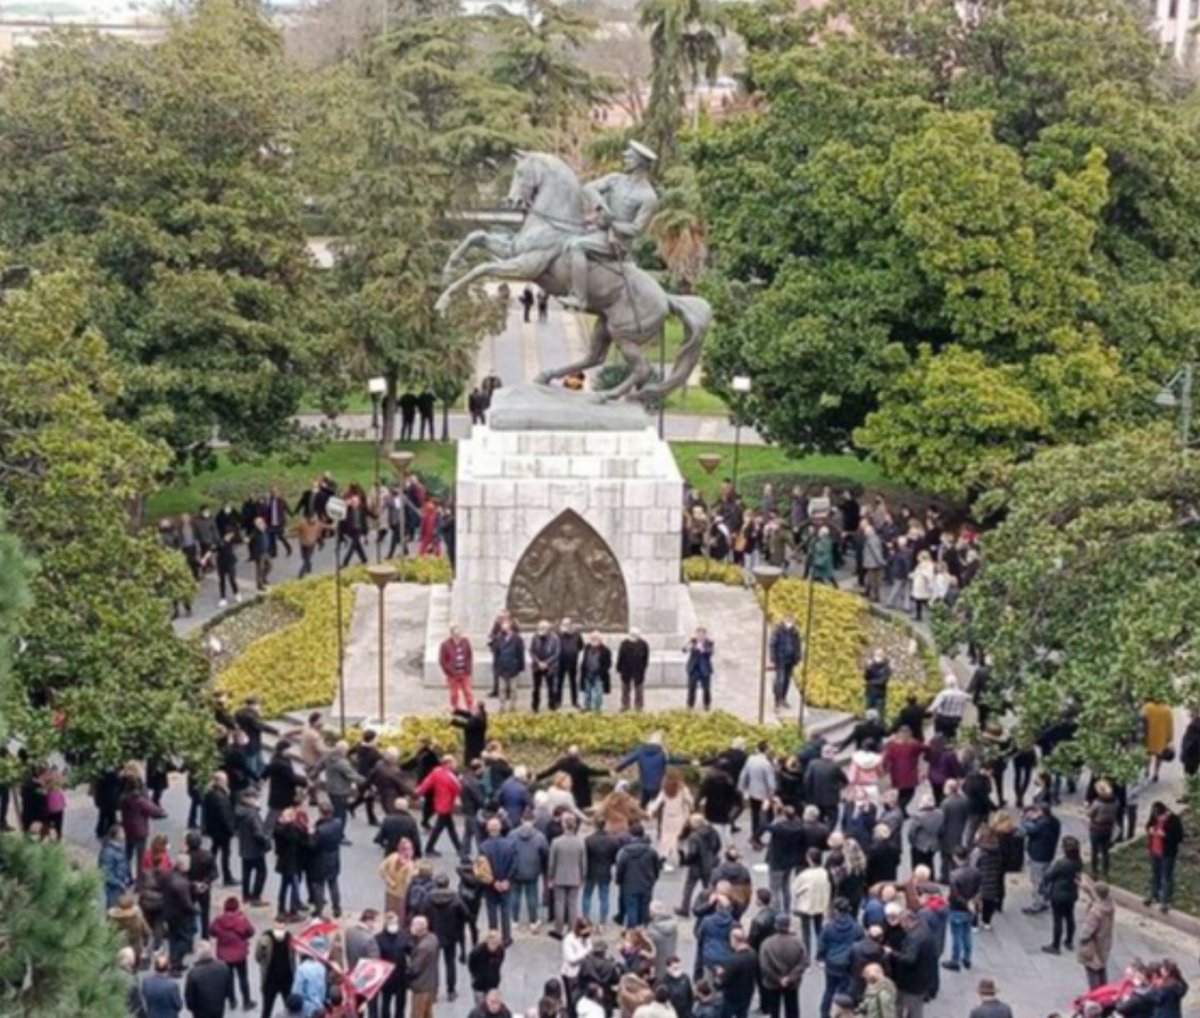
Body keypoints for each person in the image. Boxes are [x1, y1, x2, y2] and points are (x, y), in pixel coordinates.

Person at [560, 142, 659, 311]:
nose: (625, 157)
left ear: (639, 163)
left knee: (576, 246)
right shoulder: (616, 179)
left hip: (616, 242)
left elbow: (637, 229)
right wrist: (601, 206)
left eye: (629, 156)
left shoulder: (648, 196)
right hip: (599, 230)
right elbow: (589, 188)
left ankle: (579, 297)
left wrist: (612, 223)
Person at [816, 899, 863, 1018]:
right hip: (847, 964)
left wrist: (820, 957)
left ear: (836, 911)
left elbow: (822, 944)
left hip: (831, 963)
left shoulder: (829, 927)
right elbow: (861, 944)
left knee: (829, 990)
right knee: (844, 990)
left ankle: (825, 1013)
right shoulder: (856, 927)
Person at [210, 897, 256, 1012]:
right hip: (240, 954)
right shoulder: (241, 919)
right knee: (243, 978)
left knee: (228, 979)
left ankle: (232, 1001)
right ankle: (246, 1001)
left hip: (224, 955)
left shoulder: (219, 920)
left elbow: (211, 931)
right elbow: (251, 931)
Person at [1041, 836, 1083, 955]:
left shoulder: (1061, 863)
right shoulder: (1078, 862)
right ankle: (1069, 941)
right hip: (1071, 893)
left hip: (1058, 894)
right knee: (1070, 917)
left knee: (1058, 919)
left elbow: (1049, 876)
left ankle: (1055, 945)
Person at [759, 914, 808, 1018]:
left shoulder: (767, 944)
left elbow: (764, 966)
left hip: (772, 983)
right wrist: (790, 978)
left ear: (775, 926)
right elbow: (803, 962)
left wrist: (778, 979)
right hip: (792, 983)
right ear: (788, 925)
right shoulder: (798, 942)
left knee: (774, 1011)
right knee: (792, 1010)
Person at [549, 813, 587, 936]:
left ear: (564, 825)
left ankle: (558, 929)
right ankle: (571, 929)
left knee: (559, 904)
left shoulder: (556, 842)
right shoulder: (580, 842)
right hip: (575, 876)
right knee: (573, 905)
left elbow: (552, 862)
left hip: (559, 876)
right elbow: (583, 862)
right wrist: (583, 876)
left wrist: (550, 876)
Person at [417, 755, 463, 857]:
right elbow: (458, 788)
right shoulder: (451, 776)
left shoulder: (436, 772)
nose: (455, 765)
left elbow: (426, 784)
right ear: (448, 763)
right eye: (454, 763)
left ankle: (459, 847)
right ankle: (430, 848)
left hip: (439, 803)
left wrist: (417, 793)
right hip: (447, 804)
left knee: (448, 827)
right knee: (442, 828)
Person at [1144, 801, 1184, 913]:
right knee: (1155, 874)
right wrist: (1149, 830)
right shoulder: (1155, 816)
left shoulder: (1174, 820)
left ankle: (1165, 901)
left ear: (1165, 812)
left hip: (1167, 854)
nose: (1159, 819)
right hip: (1154, 851)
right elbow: (1148, 825)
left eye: (1160, 817)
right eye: (1157, 817)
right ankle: (1153, 895)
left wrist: (1165, 835)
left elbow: (1179, 838)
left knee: (1166, 877)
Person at [255, 917, 295, 1018]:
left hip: (286, 979)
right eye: (278, 928)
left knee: (289, 1008)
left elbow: (293, 956)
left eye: (281, 928)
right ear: (274, 925)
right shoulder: (265, 938)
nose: (279, 931)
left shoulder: (290, 938)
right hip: (270, 980)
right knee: (267, 1009)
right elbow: (258, 956)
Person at [184, 940, 231, 1018]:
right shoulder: (223, 967)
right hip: (218, 1007)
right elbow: (228, 989)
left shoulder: (194, 973)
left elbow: (190, 997)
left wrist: (192, 1008)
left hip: (200, 1010)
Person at [409, 915, 440, 1018]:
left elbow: (414, 968)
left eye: (413, 925)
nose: (411, 927)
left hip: (421, 986)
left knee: (417, 1014)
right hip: (430, 984)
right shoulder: (433, 938)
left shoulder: (423, 947)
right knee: (427, 1014)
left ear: (420, 927)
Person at [769, 616, 802, 712]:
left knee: (787, 680)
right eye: (788, 621)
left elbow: (797, 645)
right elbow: (772, 644)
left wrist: (798, 656)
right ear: (784, 621)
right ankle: (777, 701)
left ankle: (783, 699)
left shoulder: (795, 632)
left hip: (790, 660)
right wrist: (773, 657)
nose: (790, 623)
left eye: (791, 621)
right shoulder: (778, 631)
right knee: (780, 680)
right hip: (780, 659)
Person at [530, 620, 562, 713]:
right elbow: (532, 651)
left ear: (548, 629)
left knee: (551, 687)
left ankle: (552, 705)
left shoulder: (555, 638)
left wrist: (546, 663)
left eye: (544, 628)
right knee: (536, 688)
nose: (541, 629)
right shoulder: (535, 637)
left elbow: (557, 653)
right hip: (537, 667)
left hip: (550, 667)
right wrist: (538, 662)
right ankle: (535, 706)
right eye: (540, 627)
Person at [440, 627, 476, 711]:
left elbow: (469, 655)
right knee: (454, 693)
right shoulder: (445, 644)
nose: (458, 636)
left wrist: (469, 668)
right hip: (452, 674)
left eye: (459, 634)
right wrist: (448, 671)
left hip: (464, 672)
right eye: (456, 634)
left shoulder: (465, 642)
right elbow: (442, 660)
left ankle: (470, 707)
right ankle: (455, 707)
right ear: (452, 635)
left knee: (468, 691)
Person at [617, 630, 650, 712]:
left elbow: (646, 657)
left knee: (639, 689)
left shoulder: (643, 644)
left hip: (638, 669)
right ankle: (625, 705)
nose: (634, 636)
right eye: (632, 634)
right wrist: (619, 667)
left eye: (635, 634)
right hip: (626, 669)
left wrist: (643, 667)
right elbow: (620, 656)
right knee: (625, 689)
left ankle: (639, 706)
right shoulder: (624, 644)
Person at [142, 953, 184, 1018]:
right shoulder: (172, 986)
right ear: (168, 967)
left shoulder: (146, 982)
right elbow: (178, 1005)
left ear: (155, 966)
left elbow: (145, 998)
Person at [580, 632, 613, 713]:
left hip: (599, 675)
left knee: (598, 694)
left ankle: (597, 709)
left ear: (600, 640)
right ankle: (587, 707)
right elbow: (584, 661)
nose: (594, 640)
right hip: (587, 674)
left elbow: (608, 664)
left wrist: (600, 672)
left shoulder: (606, 650)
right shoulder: (587, 648)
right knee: (587, 693)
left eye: (596, 639)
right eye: (592, 639)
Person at [684, 628, 715, 711]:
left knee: (706, 689)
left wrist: (702, 649)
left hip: (704, 669)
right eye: (698, 634)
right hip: (693, 669)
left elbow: (710, 652)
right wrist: (688, 647)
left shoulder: (709, 642)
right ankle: (690, 705)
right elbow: (684, 649)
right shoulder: (693, 641)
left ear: (705, 635)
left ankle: (707, 705)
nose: (700, 636)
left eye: (702, 635)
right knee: (691, 688)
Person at [291, 953, 327, 1018]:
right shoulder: (321, 967)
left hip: (306, 1011)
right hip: (319, 1009)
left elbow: (297, 993)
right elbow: (323, 993)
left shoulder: (301, 969)